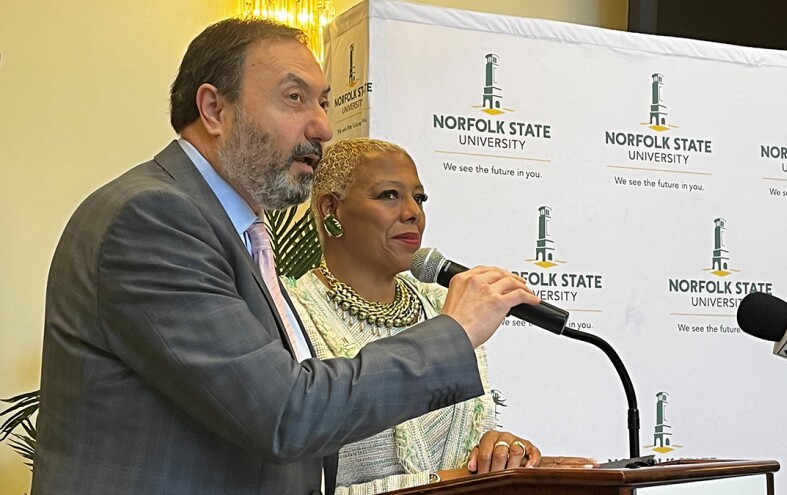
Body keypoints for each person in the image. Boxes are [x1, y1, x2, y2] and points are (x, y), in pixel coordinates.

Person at [32, 18, 539, 495]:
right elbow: (285, 415)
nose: (322, 128)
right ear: (213, 110)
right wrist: (454, 333)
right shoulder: (153, 217)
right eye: (295, 99)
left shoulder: (239, 232)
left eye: (323, 103)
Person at [284, 138, 541, 494]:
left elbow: (470, 443)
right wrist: (440, 483)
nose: (412, 213)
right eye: (389, 195)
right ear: (331, 208)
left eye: (419, 198)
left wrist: (498, 452)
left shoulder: (444, 308)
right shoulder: (290, 313)